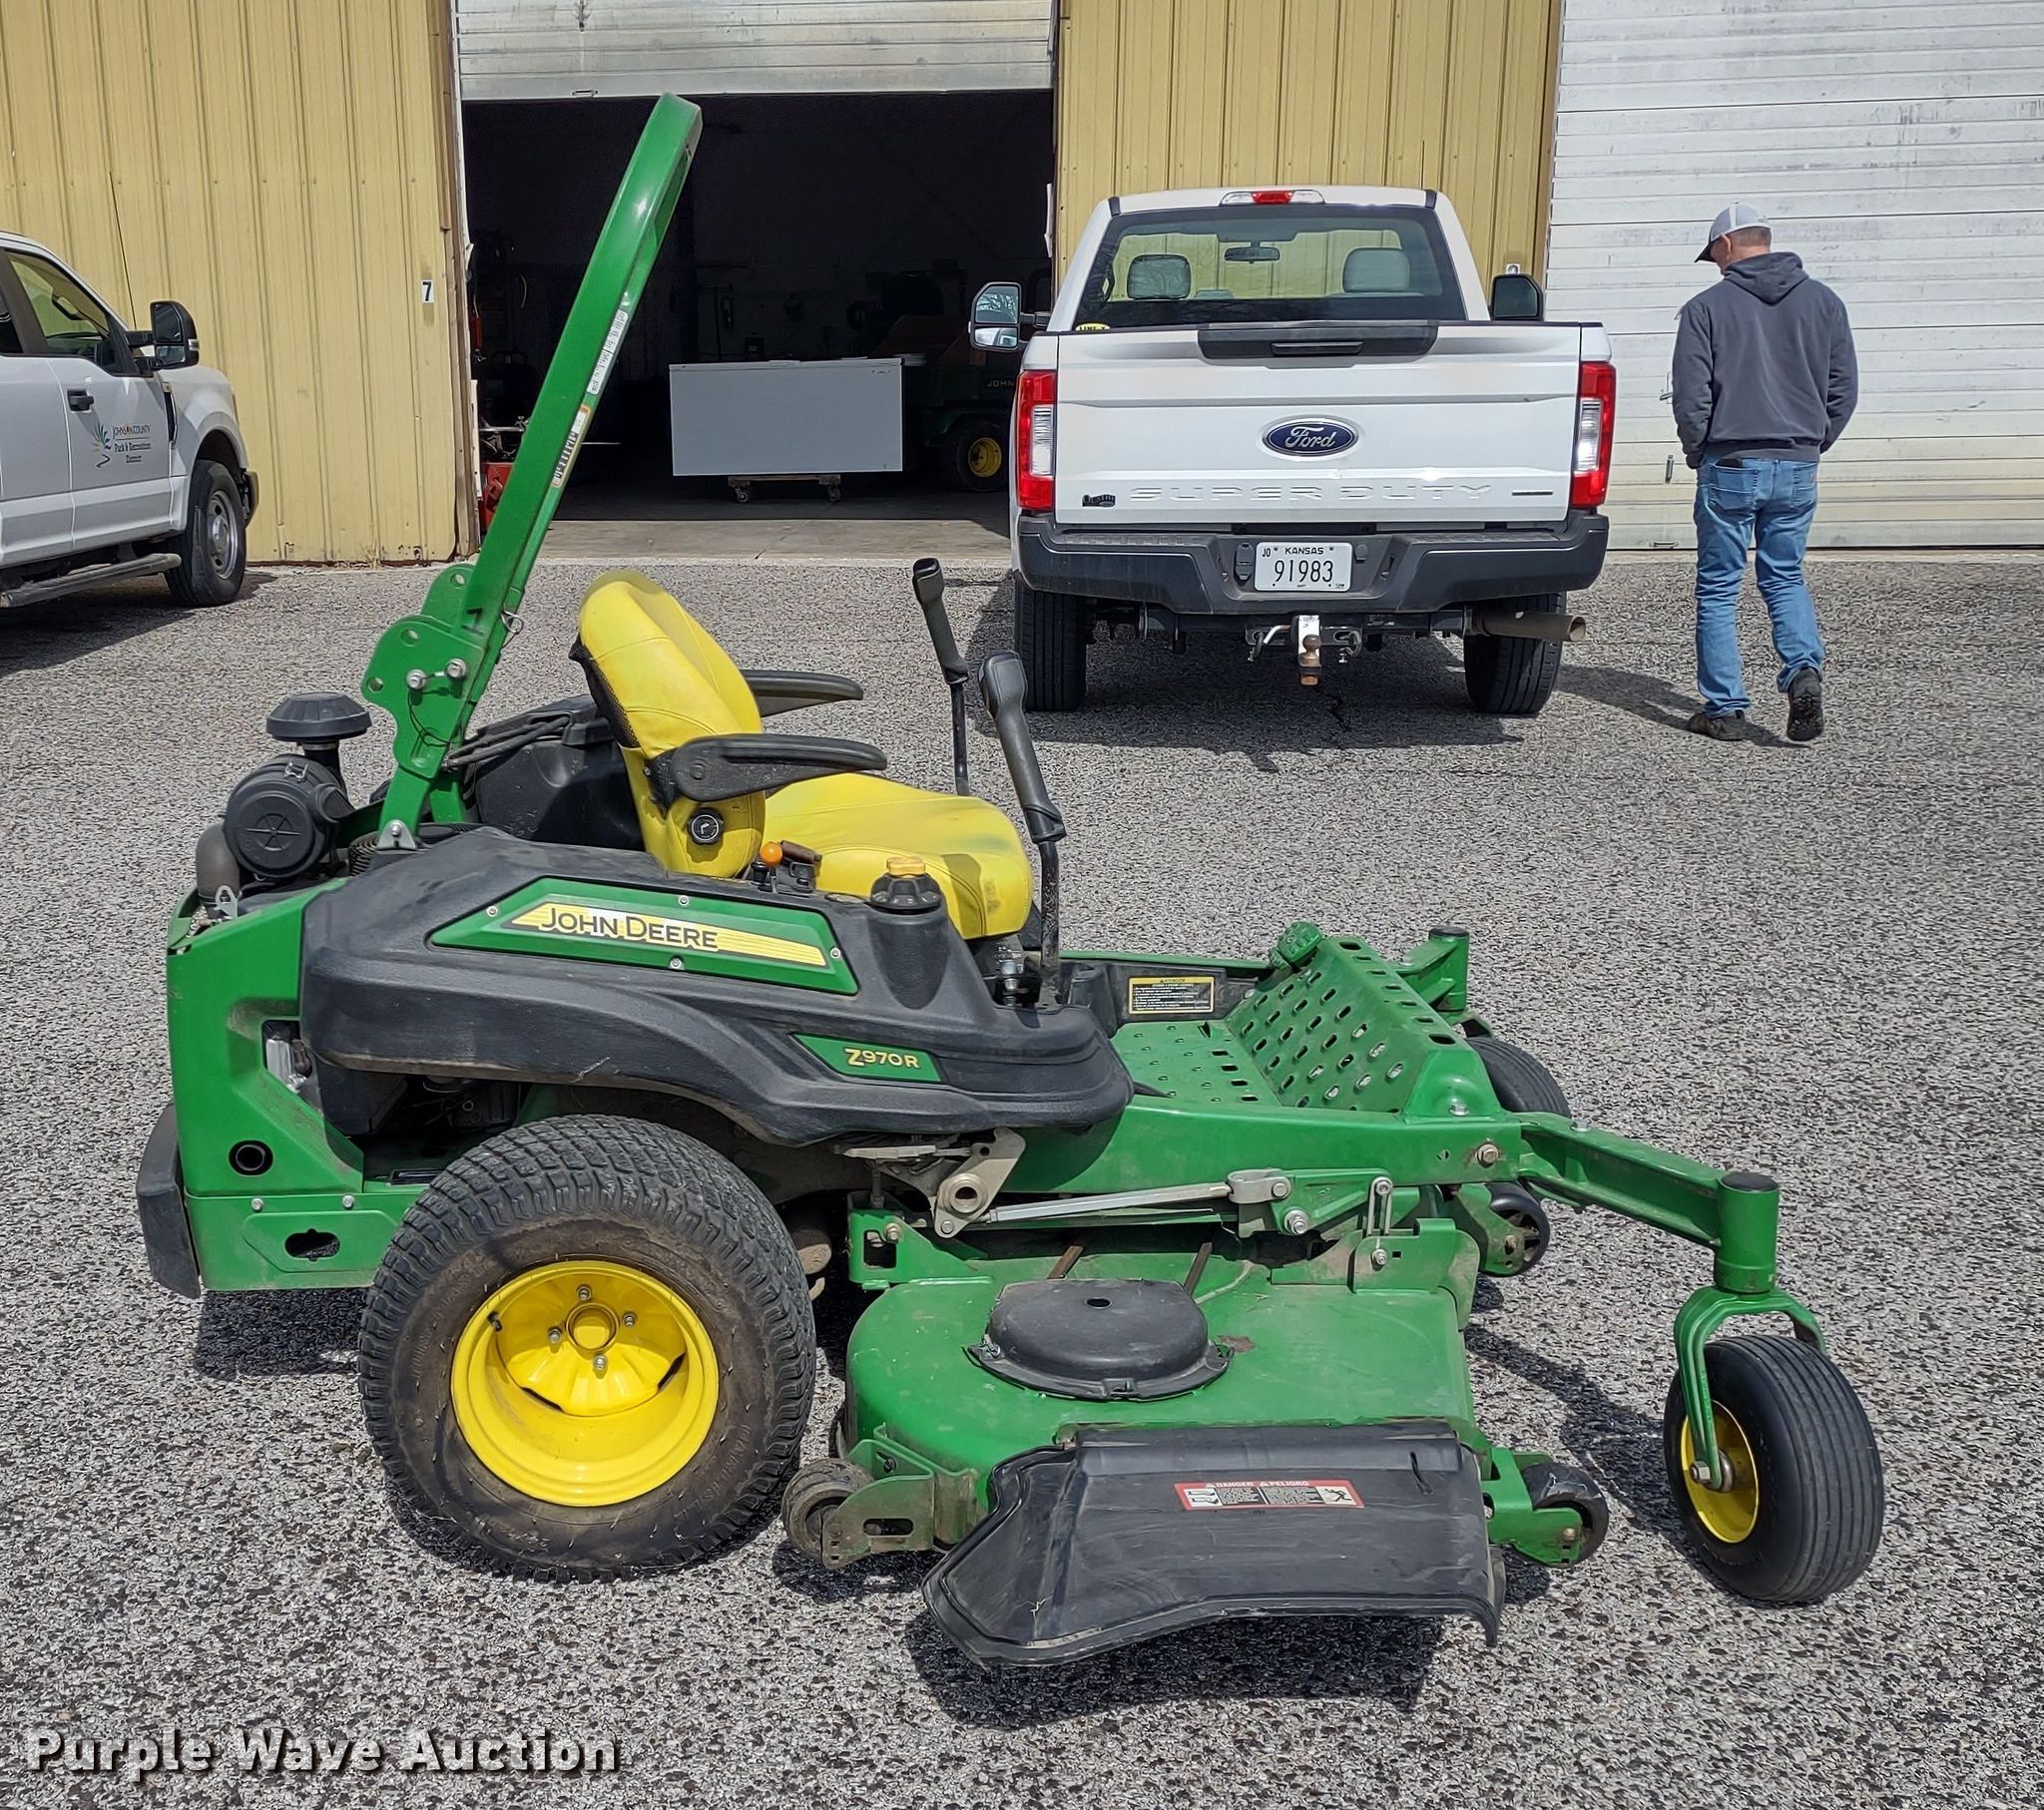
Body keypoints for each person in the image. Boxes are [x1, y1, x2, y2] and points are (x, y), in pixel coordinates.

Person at [1672, 203, 1856, 742]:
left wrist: (1697, 448)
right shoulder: (1825, 303)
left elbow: (1691, 395)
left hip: (1730, 461)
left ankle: (1725, 709)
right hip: (1797, 462)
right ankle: (1803, 670)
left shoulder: (1707, 308)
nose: (1715, 267)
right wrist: (1814, 440)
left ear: (1727, 246)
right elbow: (1842, 387)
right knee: (1784, 575)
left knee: (1718, 588)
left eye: (1714, 257)